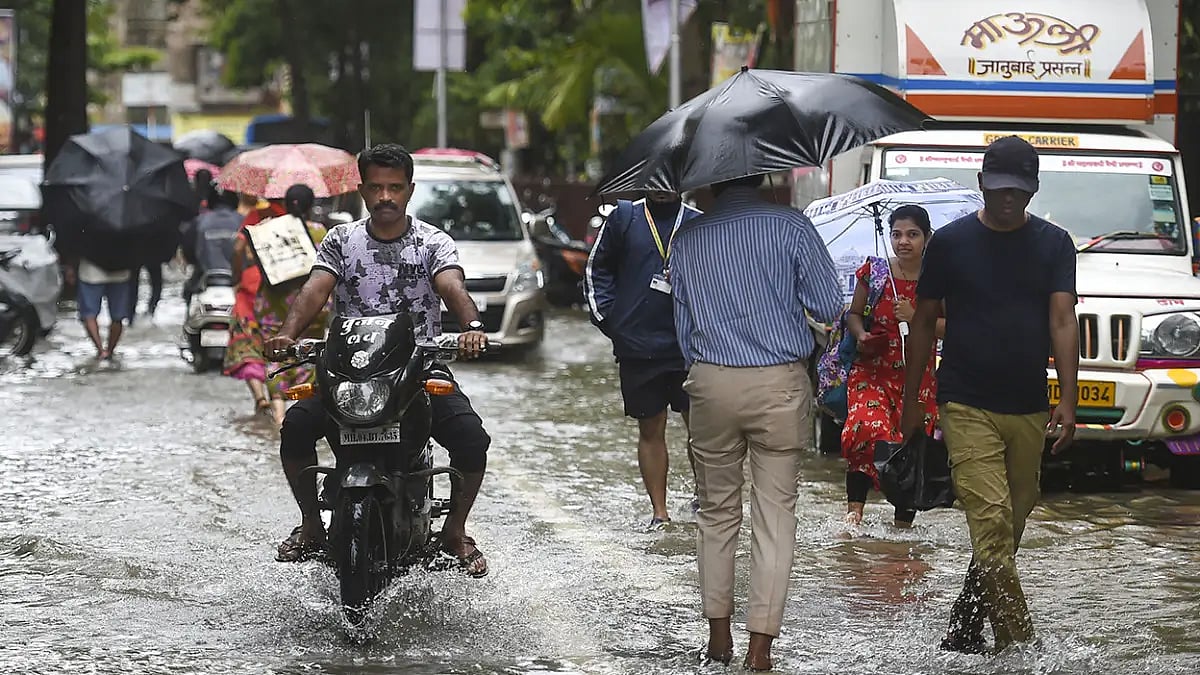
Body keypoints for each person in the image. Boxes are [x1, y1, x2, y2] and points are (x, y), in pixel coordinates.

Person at [264, 143, 492, 578]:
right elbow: (315, 290)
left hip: (418, 367)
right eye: (376, 187)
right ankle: (313, 525)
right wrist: (286, 335)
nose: (385, 196)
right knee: (295, 427)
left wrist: (472, 326)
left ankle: (455, 531)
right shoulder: (341, 240)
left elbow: (451, 286)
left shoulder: (432, 241)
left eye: (395, 187)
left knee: (471, 439)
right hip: (348, 370)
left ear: (409, 190)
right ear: (362, 190)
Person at [900, 135, 1078, 654]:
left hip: (1028, 404)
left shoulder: (1054, 243)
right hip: (965, 401)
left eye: (1018, 191)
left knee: (1007, 530)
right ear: (980, 184)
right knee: (993, 524)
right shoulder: (951, 244)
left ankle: (963, 624)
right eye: (998, 189)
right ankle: (1020, 648)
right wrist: (912, 403)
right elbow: (926, 320)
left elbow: (1063, 320)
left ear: (1033, 189)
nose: (1007, 199)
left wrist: (1068, 400)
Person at [670, 173, 843, 671]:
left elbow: (684, 330)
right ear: (763, 173)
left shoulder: (686, 239)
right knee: (775, 516)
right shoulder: (792, 225)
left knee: (716, 513)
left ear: (709, 183)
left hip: (711, 384)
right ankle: (760, 650)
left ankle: (718, 639)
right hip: (779, 385)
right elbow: (829, 307)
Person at [583, 191, 703, 529]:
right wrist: (610, 322)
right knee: (651, 429)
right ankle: (660, 513)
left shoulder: (697, 221)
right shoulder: (623, 218)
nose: (662, 185)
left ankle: (704, 498)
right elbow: (597, 271)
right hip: (638, 348)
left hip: (689, 347)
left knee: (701, 431)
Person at [841, 205, 943, 528]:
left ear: (927, 238)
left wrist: (917, 317)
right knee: (865, 429)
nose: (904, 242)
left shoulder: (938, 280)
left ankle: (902, 530)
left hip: (918, 380)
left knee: (910, 448)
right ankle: (854, 516)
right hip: (872, 372)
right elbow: (853, 315)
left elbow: (954, 326)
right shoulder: (875, 273)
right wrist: (861, 335)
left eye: (912, 235)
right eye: (897, 234)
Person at [253, 184, 331, 426]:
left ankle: (278, 414)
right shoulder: (320, 231)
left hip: (273, 307)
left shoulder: (267, 231)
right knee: (307, 357)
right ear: (311, 206)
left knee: (276, 355)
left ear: (285, 204)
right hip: (313, 308)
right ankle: (301, 411)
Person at [223, 195, 288, 415]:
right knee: (276, 344)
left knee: (247, 344)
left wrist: (236, 277)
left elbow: (238, 248)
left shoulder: (253, 216)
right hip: (280, 284)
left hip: (251, 282)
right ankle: (277, 398)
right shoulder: (286, 216)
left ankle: (260, 397)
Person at [181, 184, 241, 307]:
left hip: (205, 277)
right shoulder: (244, 221)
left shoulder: (199, 222)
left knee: (187, 293)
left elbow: (188, 250)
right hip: (237, 280)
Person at [72, 257, 134, 360]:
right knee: (117, 317)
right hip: (120, 270)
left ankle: (100, 350)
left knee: (89, 314)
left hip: (91, 271)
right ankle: (110, 351)